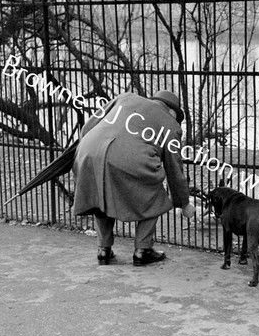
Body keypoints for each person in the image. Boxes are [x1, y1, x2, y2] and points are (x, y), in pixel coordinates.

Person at [72, 90, 196, 266]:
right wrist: (183, 202)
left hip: (88, 152)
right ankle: (143, 250)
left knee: (100, 196)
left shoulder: (125, 98)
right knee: (156, 198)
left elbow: (87, 128)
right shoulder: (171, 124)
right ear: (172, 112)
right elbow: (174, 169)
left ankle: (103, 249)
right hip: (128, 159)